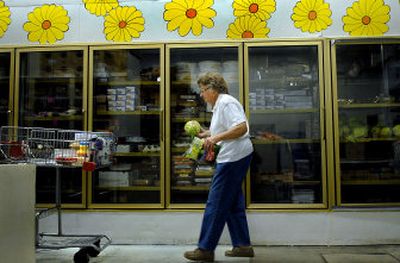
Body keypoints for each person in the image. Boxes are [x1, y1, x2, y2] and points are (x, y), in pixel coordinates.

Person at [184, 72, 254, 262]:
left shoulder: (226, 103)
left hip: (233, 157)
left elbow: (241, 128)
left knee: (216, 202)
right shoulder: (219, 105)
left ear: (213, 89)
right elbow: (225, 129)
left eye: (203, 90)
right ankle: (243, 245)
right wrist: (206, 133)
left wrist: (214, 138)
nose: (201, 94)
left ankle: (205, 249)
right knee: (232, 203)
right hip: (234, 155)